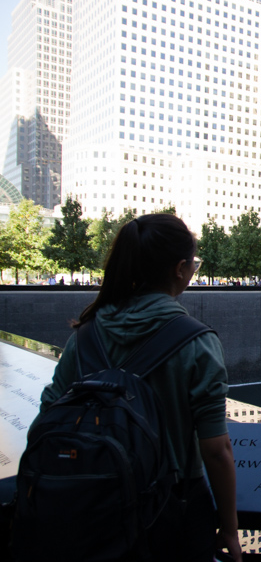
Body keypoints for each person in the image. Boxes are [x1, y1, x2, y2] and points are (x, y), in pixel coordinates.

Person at [36, 214, 242, 561]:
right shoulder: (198, 343)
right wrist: (230, 528)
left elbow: (48, 413)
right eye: (194, 263)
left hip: (90, 507)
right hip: (172, 511)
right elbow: (216, 450)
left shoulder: (85, 334)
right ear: (180, 269)